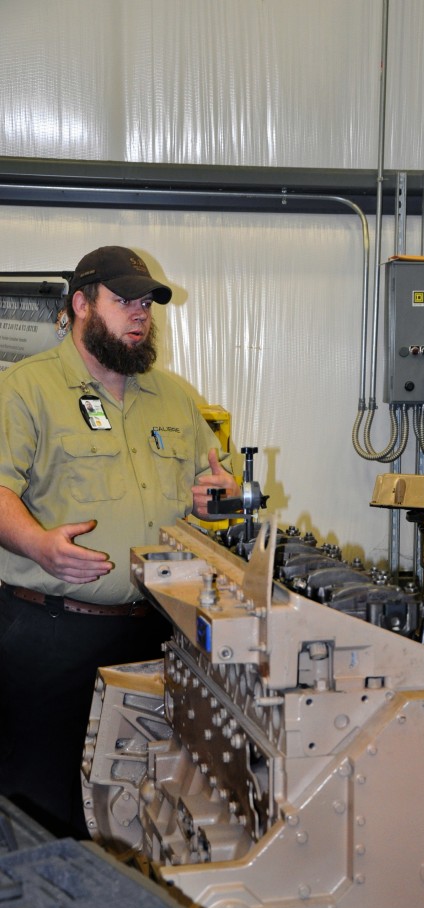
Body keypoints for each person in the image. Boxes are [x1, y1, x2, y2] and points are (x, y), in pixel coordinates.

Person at [0, 245, 240, 837]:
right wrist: (37, 544)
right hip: (52, 634)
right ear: (81, 304)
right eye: (123, 300)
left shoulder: (175, 398)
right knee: (41, 809)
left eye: (147, 303)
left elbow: (215, 490)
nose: (139, 313)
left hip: (154, 630)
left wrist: (218, 497)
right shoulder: (25, 388)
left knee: (145, 802)